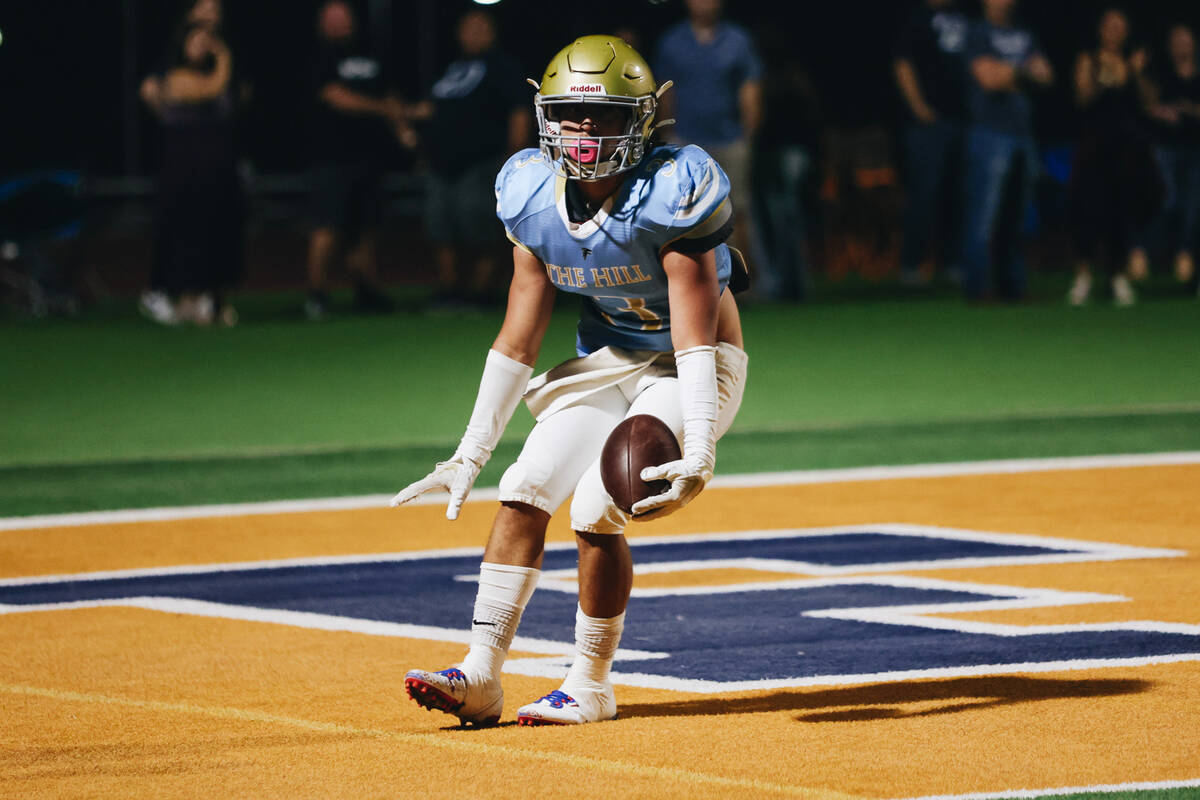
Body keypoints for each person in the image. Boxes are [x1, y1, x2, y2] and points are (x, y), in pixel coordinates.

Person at [391, 35, 749, 727]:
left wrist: (701, 440)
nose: (584, 131)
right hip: (609, 359)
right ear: (543, 115)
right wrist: (471, 450)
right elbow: (518, 334)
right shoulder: (529, 190)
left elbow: (694, 330)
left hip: (690, 360)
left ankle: (588, 682)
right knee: (524, 488)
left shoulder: (671, 188)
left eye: (605, 115)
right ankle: (479, 674)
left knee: (594, 508)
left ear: (641, 119)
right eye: (570, 114)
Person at [400, 10, 531, 307]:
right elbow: (432, 109)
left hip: (482, 162)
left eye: (479, 28)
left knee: (479, 224)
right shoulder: (452, 69)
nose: (472, 34)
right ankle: (450, 289)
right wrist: (396, 111)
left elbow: (519, 111)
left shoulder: (503, 67)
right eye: (467, 28)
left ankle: (481, 291)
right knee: (440, 224)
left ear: (491, 32)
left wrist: (514, 157)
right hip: (441, 164)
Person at [139, 20, 243, 326]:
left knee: (218, 232)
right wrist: (225, 57)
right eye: (195, 40)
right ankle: (184, 298)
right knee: (186, 231)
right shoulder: (174, 76)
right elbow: (210, 89)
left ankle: (211, 300)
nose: (201, 46)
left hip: (217, 165)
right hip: (184, 166)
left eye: (206, 41)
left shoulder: (221, 76)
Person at [305, 0, 401, 320]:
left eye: (343, 16)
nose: (338, 23)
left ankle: (365, 288)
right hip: (331, 156)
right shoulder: (319, 56)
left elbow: (389, 94)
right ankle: (317, 293)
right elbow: (334, 96)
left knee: (367, 227)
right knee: (328, 225)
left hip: (370, 156)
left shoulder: (372, 54)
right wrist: (381, 109)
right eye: (331, 17)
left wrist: (401, 126)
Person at [654, 0, 762, 265]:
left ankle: (744, 283)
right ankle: (696, 280)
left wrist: (748, 135)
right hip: (686, 142)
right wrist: (668, 136)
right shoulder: (672, 41)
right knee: (686, 216)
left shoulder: (738, 39)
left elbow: (750, 88)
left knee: (738, 211)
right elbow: (665, 92)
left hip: (730, 139)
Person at [959, 0, 1053, 303]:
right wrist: (1025, 73)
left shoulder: (1026, 34)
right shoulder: (976, 33)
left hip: (1023, 136)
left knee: (1018, 217)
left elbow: (1047, 77)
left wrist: (1009, 73)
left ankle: (1013, 287)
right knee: (983, 218)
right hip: (989, 134)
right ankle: (979, 287)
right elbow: (988, 79)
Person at [1066, 7, 1160, 307]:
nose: (1114, 31)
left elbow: (1148, 103)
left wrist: (1135, 73)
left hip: (1125, 149)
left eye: (1120, 26)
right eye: (1110, 25)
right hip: (1093, 145)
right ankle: (1083, 277)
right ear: (1100, 29)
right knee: (1087, 210)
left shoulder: (1134, 62)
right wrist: (1113, 76)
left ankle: (1117, 276)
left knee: (1120, 211)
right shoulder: (1088, 58)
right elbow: (1082, 97)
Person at [892, 0, 970, 286]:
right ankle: (911, 265)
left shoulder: (965, 17)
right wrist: (918, 106)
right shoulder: (918, 20)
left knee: (958, 194)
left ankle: (952, 262)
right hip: (929, 124)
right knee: (924, 195)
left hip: (963, 121)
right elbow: (902, 62)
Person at [1136, 23, 1200, 293]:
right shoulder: (1161, 74)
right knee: (1168, 200)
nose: (1181, 45)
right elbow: (1148, 105)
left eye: (1185, 40)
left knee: (1193, 206)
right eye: (1175, 41)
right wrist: (1160, 112)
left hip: (1196, 147)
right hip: (1166, 147)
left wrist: (1188, 109)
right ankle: (1141, 252)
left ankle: (1186, 256)